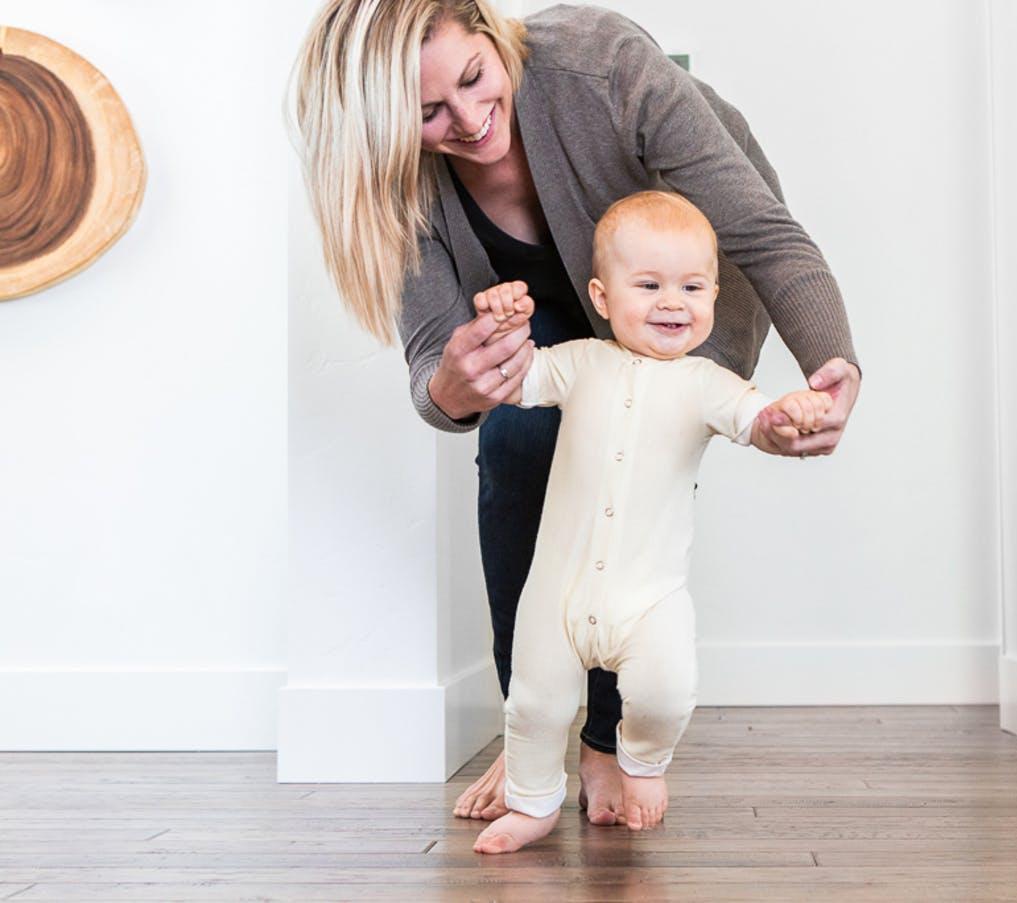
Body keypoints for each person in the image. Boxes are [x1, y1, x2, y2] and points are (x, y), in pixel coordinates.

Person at [292, 0, 862, 827]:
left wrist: (830, 364)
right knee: (518, 446)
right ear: (384, 126)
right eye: (427, 114)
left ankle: (602, 741)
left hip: (671, 285)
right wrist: (456, 384)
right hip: (537, 317)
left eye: (475, 78)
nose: (471, 119)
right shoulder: (397, 182)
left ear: (490, 35)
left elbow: (760, 231)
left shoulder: (599, 65)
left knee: (632, 469)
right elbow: (434, 370)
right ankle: (529, 738)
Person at [468, 190, 832, 854]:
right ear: (603, 298)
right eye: (649, 284)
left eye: (692, 286)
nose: (673, 301)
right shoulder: (579, 362)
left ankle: (640, 761)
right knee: (534, 705)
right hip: (557, 595)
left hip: (648, 597)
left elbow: (761, 422)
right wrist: (502, 325)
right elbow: (512, 380)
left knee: (666, 689)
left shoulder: (707, 382)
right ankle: (532, 803)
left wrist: (792, 414)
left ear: (715, 295)